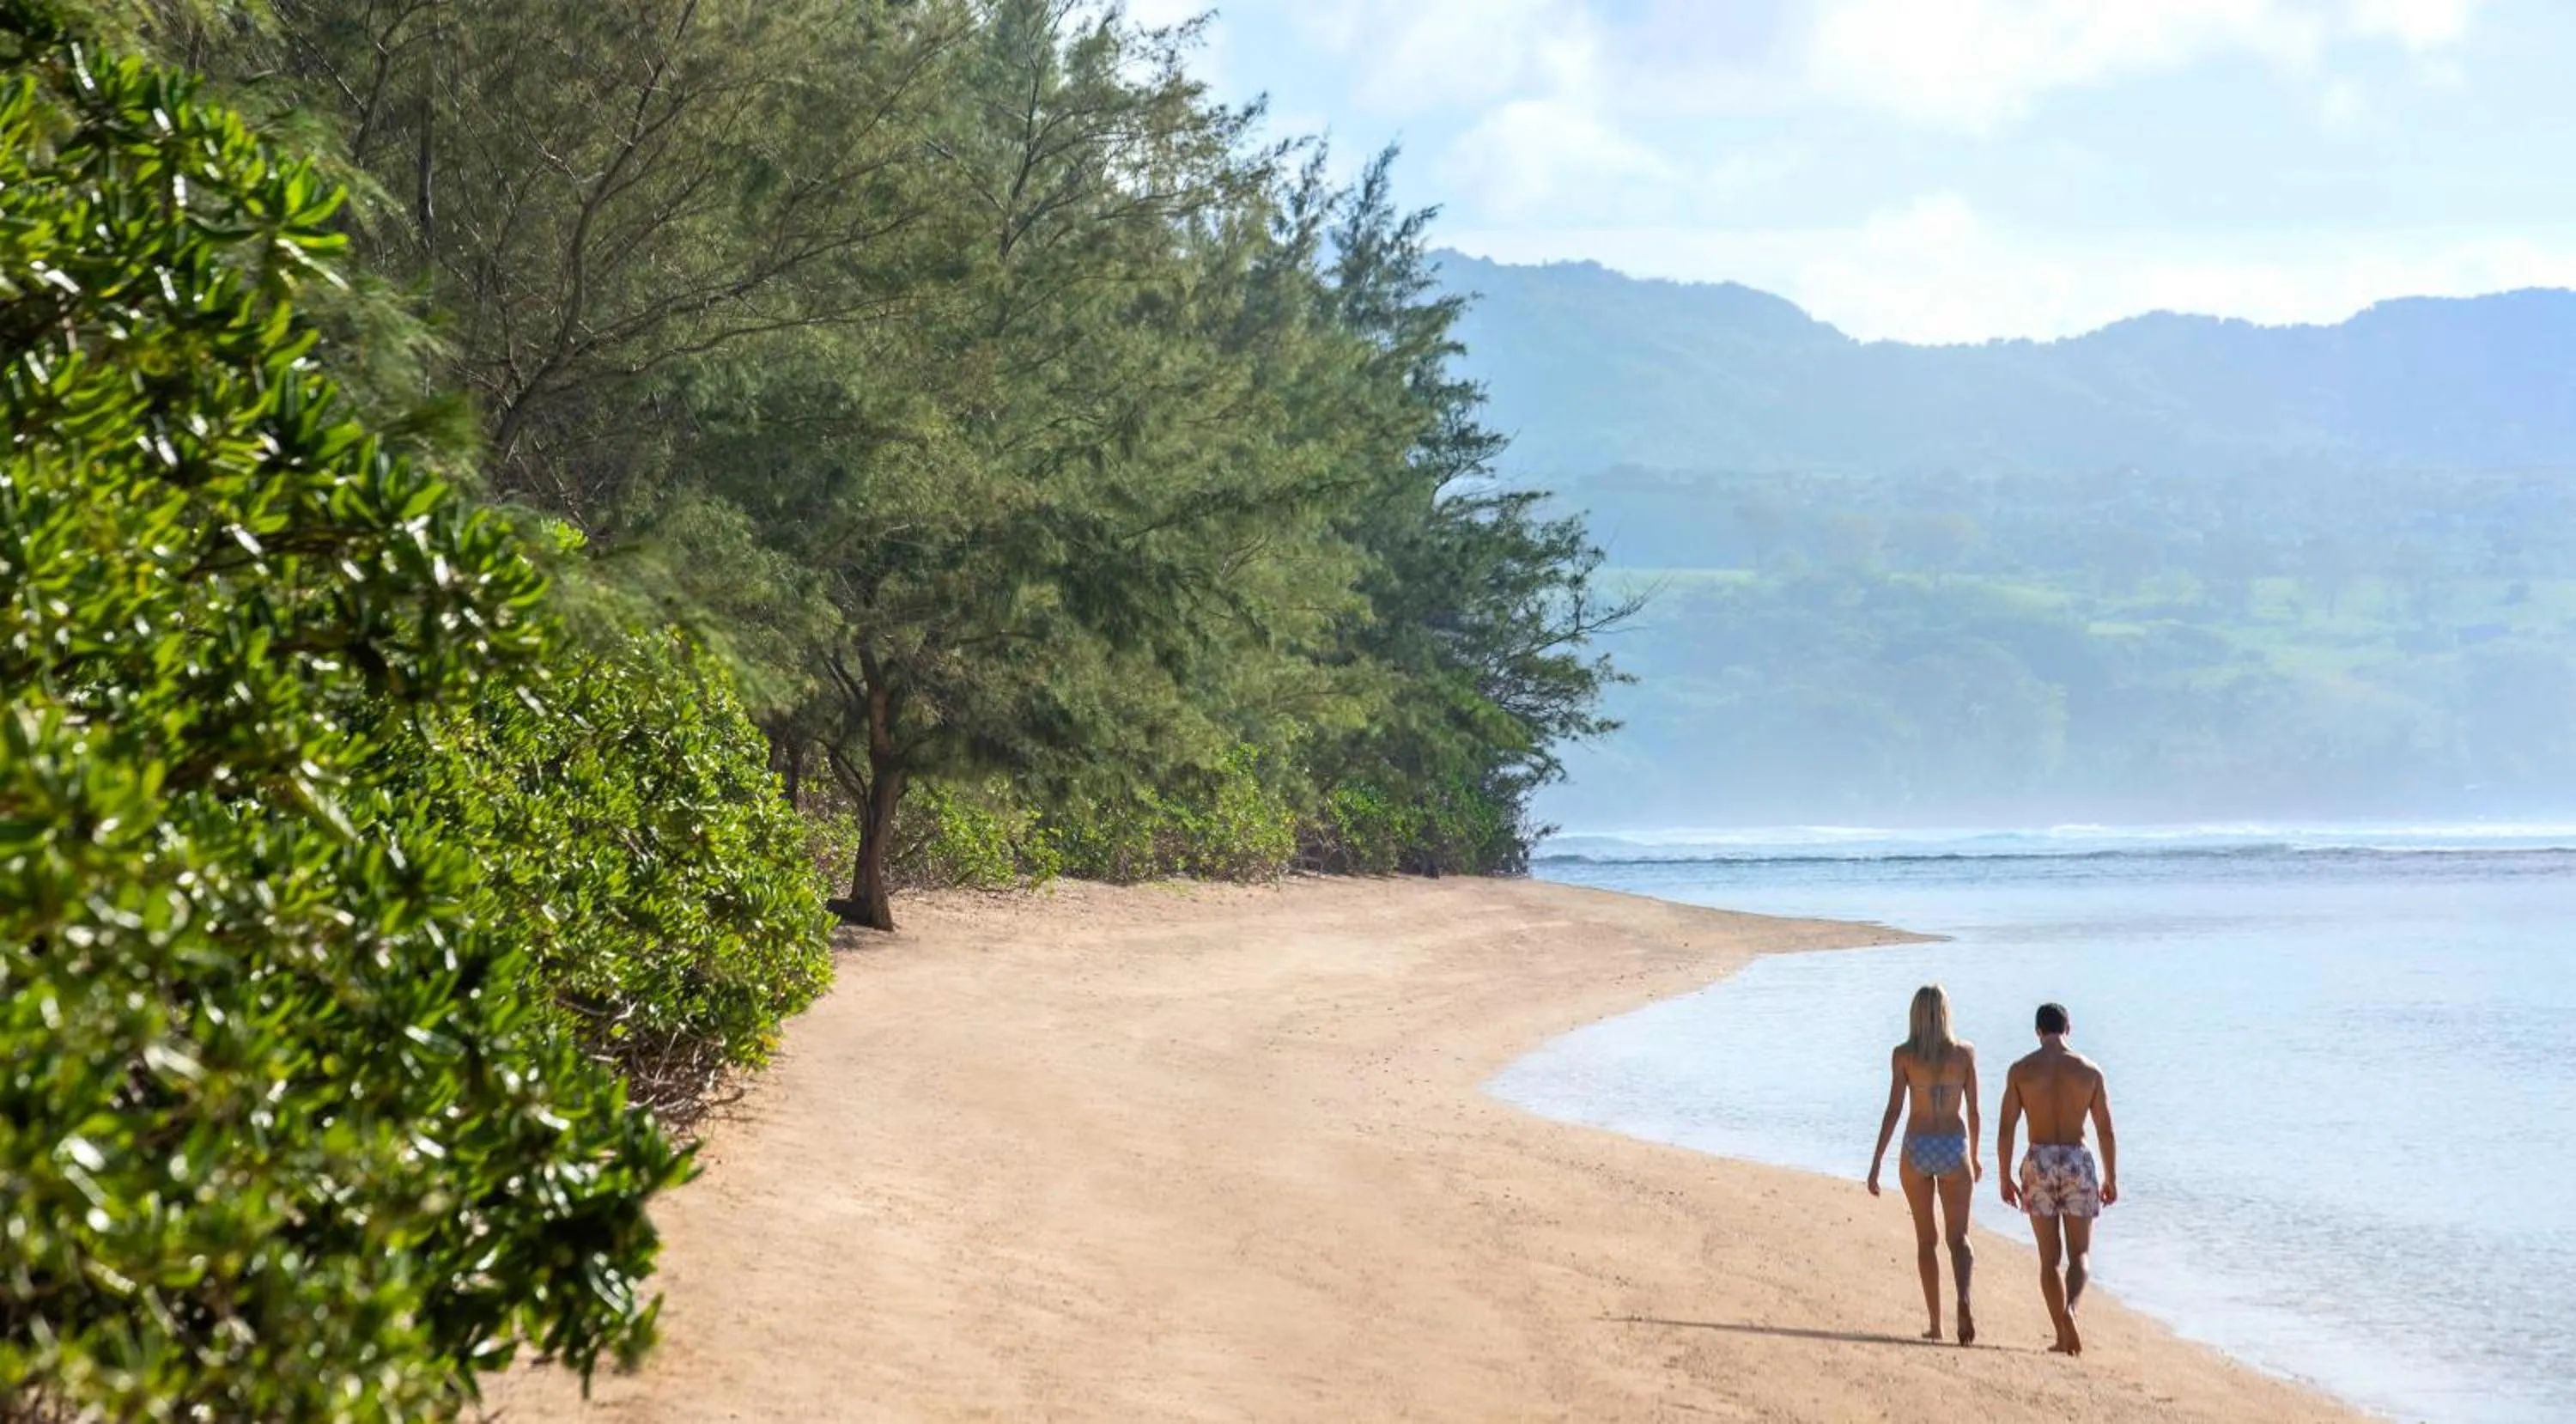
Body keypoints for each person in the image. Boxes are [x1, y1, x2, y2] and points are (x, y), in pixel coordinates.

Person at [1996, 1001, 2118, 1356]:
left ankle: (2061, 1334)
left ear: (2038, 1032)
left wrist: (2004, 1176)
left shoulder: (2021, 1070)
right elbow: (2105, 1130)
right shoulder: (2090, 1071)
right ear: (2069, 1029)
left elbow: (2006, 1129)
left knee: (2049, 1258)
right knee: (2080, 1254)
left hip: (2040, 1159)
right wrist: (2111, 1177)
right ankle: (2071, 1310)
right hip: (2078, 1161)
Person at [1865, 983, 1982, 1345]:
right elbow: (1974, 1111)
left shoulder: (1903, 1055)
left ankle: (1936, 1323)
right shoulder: (1964, 1054)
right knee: (1959, 1238)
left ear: (1915, 1015)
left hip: (1917, 1146)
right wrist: (1975, 1156)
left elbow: (1894, 1110)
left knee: (1926, 1240)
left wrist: (1877, 1161)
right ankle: (1963, 1300)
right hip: (1952, 1145)